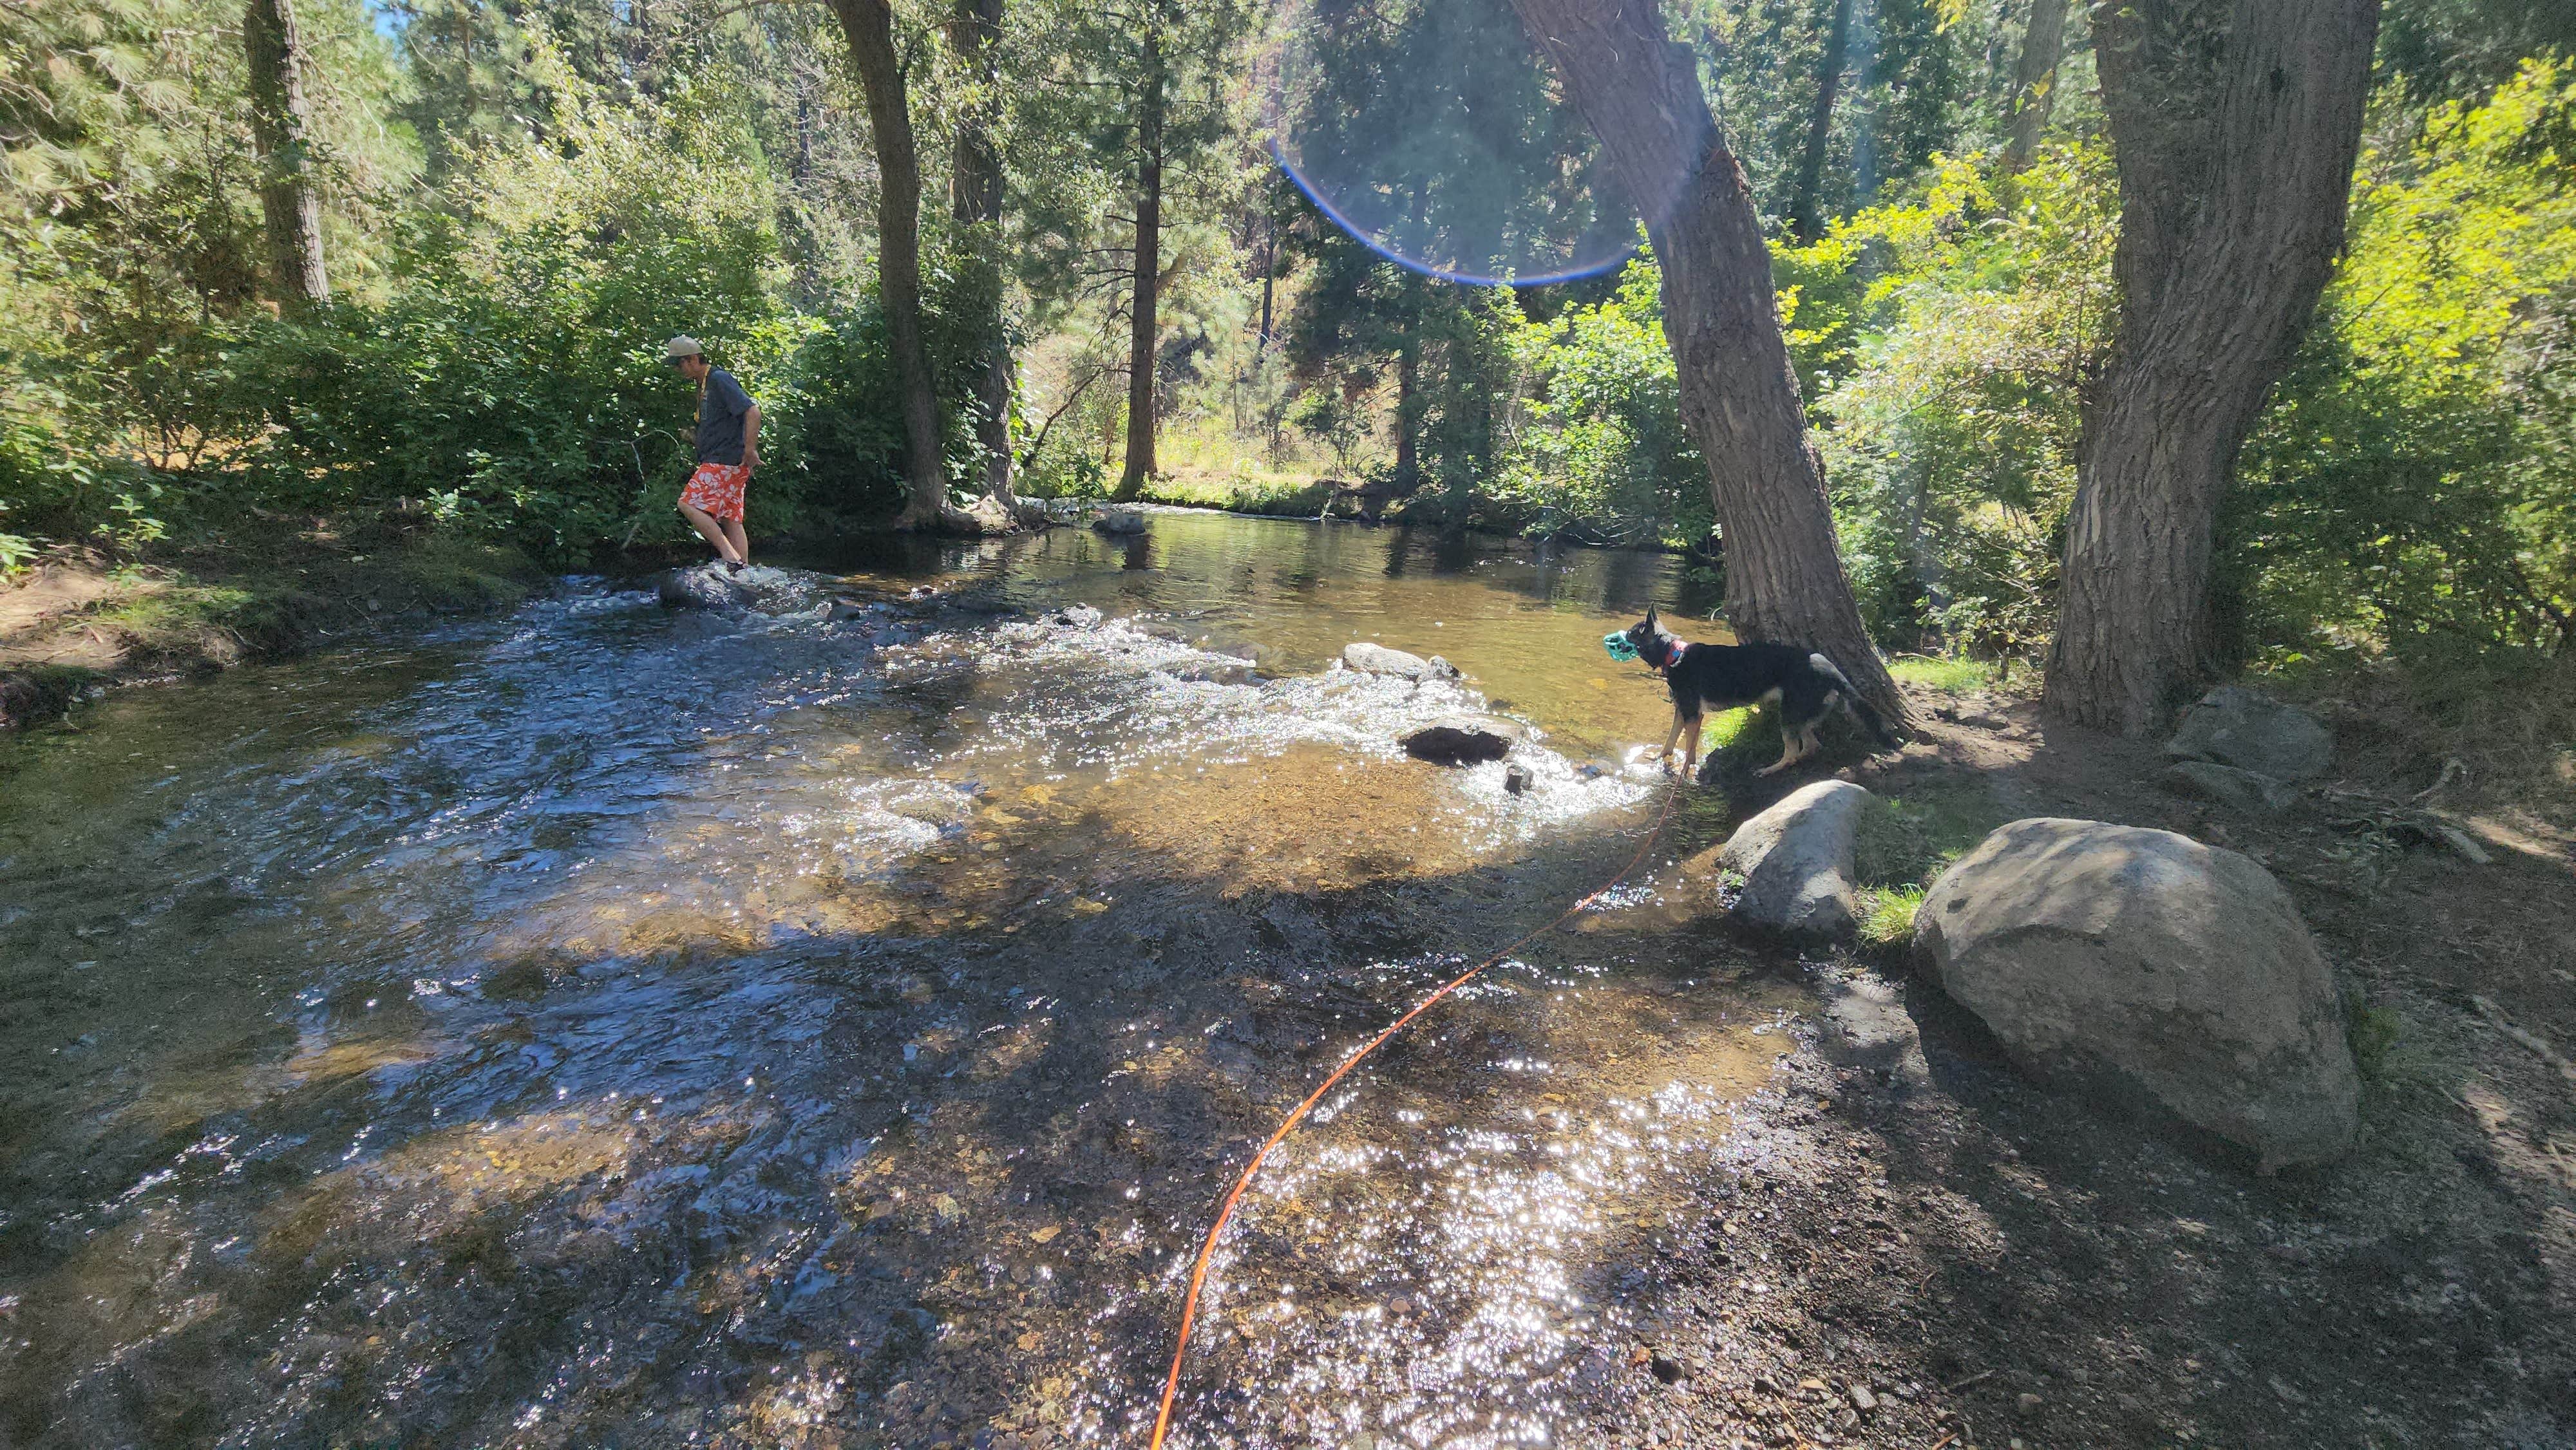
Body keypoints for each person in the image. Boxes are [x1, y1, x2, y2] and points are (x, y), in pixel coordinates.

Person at [668, 335, 761, 570]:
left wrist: (750, 450)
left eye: (679, 364)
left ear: (692, 359)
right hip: (728, 460)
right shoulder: (704, 384)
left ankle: (729, 556)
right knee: (731, 518)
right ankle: (743, 572)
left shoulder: (718, 378)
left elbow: (753, 412)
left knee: (687, 504)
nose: (679, 370)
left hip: (724, 460)